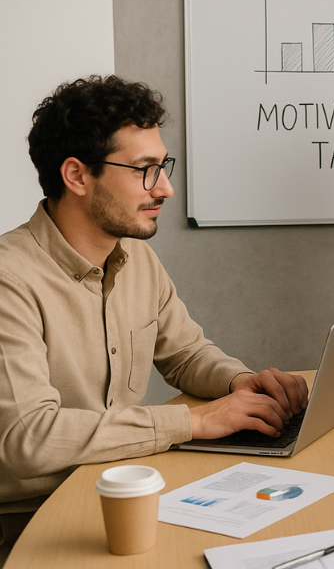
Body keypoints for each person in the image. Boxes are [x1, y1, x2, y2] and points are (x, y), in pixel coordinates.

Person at [0, 76, 309, 562]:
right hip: (33, 522)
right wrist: (192, 420)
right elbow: (28, 439)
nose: (164, 187)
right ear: (77, 176)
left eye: (162, 166)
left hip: (127, 492)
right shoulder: (8, 278)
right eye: (145, 169)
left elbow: (186, 354)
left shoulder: (136, 259)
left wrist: (240, 383)